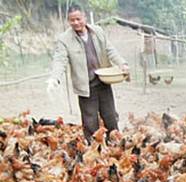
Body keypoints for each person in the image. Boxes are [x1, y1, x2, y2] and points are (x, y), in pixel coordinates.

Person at [47, 3, 129, 142]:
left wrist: (122, 63)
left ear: (84, 17)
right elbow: (60, 60)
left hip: (103, 80)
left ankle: (115, 143)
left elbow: (110, 50)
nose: (76, 22)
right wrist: (55, 78)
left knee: (110, 116)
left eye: (78, 19)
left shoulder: (97, 31)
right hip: (85, 86)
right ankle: (94, 148)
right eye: (72, 20)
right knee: (90, 120)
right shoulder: (64, 39)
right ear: (68, 21)